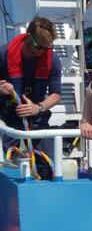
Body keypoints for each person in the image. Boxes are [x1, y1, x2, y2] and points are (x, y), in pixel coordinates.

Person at [0, 17, 62, 149]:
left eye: (47, 48)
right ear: (28, 36)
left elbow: (55, 95)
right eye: (39, 47)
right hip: (6, 115)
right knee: (6, 163)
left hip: (37, 116)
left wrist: (38, 108)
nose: (43, 52)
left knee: (47, 162)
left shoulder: (53, 60)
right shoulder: (3, 54)